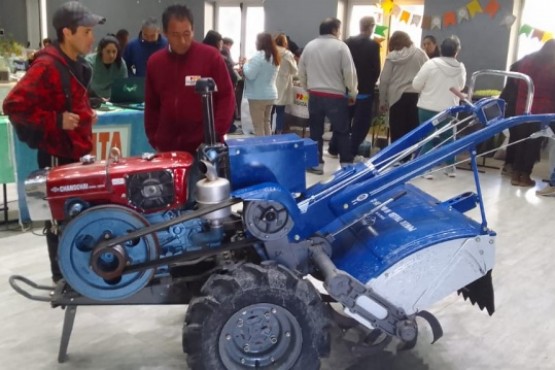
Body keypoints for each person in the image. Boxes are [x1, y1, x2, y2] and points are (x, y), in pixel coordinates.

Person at [2, 1, 104, 283]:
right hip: (57, 157)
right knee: (60, 220)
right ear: (67, 33)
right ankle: (64, 279)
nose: (91, 37)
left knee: (76, 217)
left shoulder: (73, 64)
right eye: (86, 31)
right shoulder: (47, 66)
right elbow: (13, 105)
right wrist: (56, 121)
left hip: (76, 155)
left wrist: (84, 116)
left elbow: (69, 101)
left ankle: (78, 275)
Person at [145, 4, 235, 155]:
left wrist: (214, 134)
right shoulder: (155, 62)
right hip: (168, 148)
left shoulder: (210, 57)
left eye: (187, 33)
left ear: (193, 31)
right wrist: (155, 138)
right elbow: (152, 105)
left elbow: (226, 97)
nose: (182, 40)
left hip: (205, 147)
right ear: (165, 33)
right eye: (175, 34)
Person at [298, 17, 358, 174]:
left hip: (315, 95)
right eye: (339, 29)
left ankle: (316, 164)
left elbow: (301, 71)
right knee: (342, 131)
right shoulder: (341, 47)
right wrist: (353, 92)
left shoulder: (309, 46)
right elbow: (349, 73)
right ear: (334, 30)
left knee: (315, 131)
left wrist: (306, 88)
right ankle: (346, 164)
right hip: (336, 96)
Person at [412, 36, 466, 178]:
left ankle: (425, 169)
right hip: (450, 108)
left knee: (428, 138)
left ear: (440, 49)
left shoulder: (431, 64)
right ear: (457, 51)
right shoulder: (460, 68)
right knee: (449, 137)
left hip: (427, 107)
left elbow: (416, 85)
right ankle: (450, 168)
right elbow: (460, 87)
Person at [329, 16, 380, 160]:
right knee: (361, 124)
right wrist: (370, 84)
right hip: (364, 91)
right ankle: (351, 151)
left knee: (342, 121)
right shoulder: (374, 46)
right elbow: (376, 70)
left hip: (346, 90)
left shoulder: (346, 43)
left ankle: (334, 148)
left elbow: (340, 66)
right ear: (370, 27)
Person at [510, 40, 555, 188]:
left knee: (520, 140)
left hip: (522, 107)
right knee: (533, 144)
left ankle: (515, 174)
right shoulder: (552, 65)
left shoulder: (528, 60)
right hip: (542, 110)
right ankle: (525, 176)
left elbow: (517, 81)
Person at [379, 31, 428, 144]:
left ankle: (397, 158)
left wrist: (382, 101)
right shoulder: (421, 54)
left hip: (396, 97)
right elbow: (428, 74)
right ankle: (410, 158)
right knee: (413, 129)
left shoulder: (392, 56)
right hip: (416, 96)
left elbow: (384, 80)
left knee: (397, 130)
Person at [241, 32, 280, 136]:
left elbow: (250, 75)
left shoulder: (258, 57)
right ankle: (268, 146)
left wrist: (245, 64)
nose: (255, 42)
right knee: (266, 123)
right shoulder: (274, 56)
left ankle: (261, 148)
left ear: (261, 43)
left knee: (258, 125)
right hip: (270, 95)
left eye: (256, 40)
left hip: (257, 96)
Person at [85, 35, 128, 99]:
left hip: (114, 99)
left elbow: (124, 85)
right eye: (108, 51)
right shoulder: (90, 61)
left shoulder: (121, 63)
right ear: (101, 50)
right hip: (93, 98)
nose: (111, 55)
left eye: (114, 52)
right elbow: (86, 86)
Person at [273, 33, 298, 134]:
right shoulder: (287, 54)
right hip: (282, 83)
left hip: (270, 82)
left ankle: (268, 130)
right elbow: (295, 70)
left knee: (269, 111)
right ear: (285, 43)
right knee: (280, 111)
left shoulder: (270, 52)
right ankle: (279, 131)